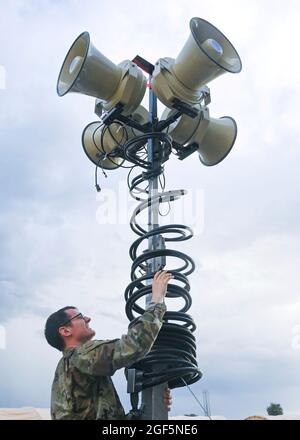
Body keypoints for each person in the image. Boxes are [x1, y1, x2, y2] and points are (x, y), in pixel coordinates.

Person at [45, 270, 173, 420]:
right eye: (80, 317)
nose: (87, 318)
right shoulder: (82, 355)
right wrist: (157, 300)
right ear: (65, 331)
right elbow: (134, 345)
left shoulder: (67, 367)